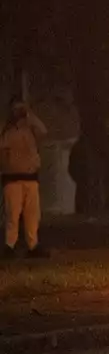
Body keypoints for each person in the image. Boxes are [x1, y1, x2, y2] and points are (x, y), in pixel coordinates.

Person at [1, 98, 48, 258]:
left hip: (30, 177)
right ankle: (10, 245)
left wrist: (30, 115)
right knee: (12, 214)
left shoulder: (31, 128)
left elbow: (43, 131)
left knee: (32, 214)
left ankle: (33, 245)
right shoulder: (6, 130)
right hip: (12, 178)